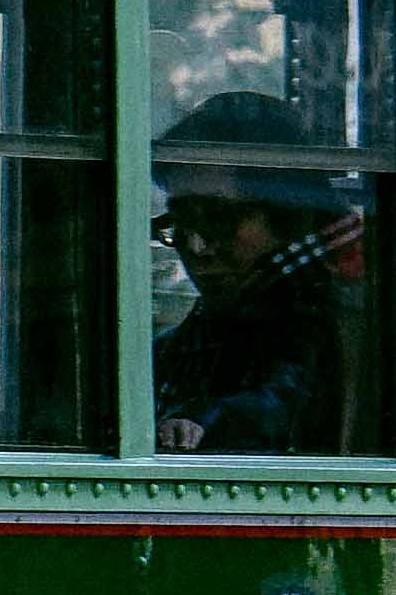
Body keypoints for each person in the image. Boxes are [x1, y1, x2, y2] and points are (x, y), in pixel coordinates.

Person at [149, 92, 383, 454]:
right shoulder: (222, 316)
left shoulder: (334, 310)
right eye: (182, 220)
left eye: (219, 218)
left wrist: (202, 422)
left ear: (288, 211)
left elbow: (285, 396)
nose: (196, 248)